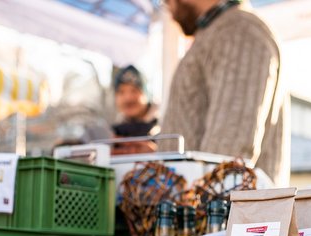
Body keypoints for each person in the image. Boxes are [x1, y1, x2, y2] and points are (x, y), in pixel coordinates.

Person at [161, 0, 290, 186]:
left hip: (226, 212)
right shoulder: (222, 30)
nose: (165, 4)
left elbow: (228, 158)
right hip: (206, 209)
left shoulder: (240, 31)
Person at [112, 65, 160, 154]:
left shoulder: (165, 125)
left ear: (146, 94)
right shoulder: (113, 133)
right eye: (121, 92)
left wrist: (159, 153)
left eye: (134, 90)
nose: (128, 98)